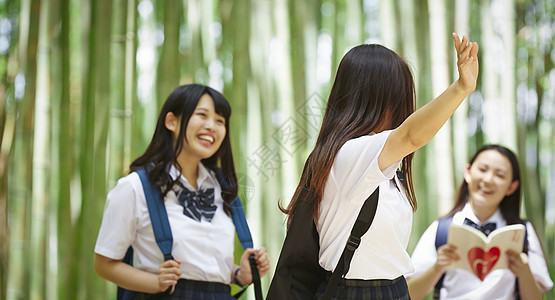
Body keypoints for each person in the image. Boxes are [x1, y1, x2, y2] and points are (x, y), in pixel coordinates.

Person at [277, 33, 479, 299]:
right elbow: (410, 135)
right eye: (402, 94)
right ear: (383, 97)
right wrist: (461, 88)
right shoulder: (350, 154)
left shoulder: (380, 164)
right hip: (356, 293)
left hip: (392, 289)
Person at [94, 84, 270, 299]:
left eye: (220, 121)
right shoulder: (134, 187)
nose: (211, 126)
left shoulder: (223, 187)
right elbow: (104, 264)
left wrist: (240, 274)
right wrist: (156, 282)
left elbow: (204, 264)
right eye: (202, 115)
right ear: (171, 122)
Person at [407, 145, 553, 300]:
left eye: (500, 175)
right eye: (483, 169)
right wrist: (437, 268)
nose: (488, 179)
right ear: (468, 172)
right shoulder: (441, 229)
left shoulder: (523, 232)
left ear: (512, 187)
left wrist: (524, 271)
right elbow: (410, 294)